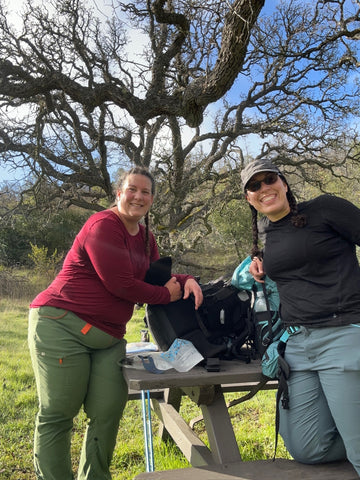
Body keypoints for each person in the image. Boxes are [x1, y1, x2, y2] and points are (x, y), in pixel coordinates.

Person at [28, 166, 203, 480]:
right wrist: (166, 294)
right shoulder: (102, 225)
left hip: (109, 338)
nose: (138, 196)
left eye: (146, 191)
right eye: (132, 189)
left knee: (107, 412)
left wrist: (186, 279)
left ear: (152, 199)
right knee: (58, 413)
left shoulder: (146, 238)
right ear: (119, 193)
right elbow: (121, 284)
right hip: (62, 324)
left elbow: (155, 279)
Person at [241, 158, 360, 476]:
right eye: (255, 185)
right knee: (307, 447)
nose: (264, 188)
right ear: (249, 198)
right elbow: (297, 259)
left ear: (284, 183)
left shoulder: (324, 208)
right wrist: (260, 261)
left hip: (342, 334)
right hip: (297, 346)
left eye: (270, 180)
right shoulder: (270, 234)